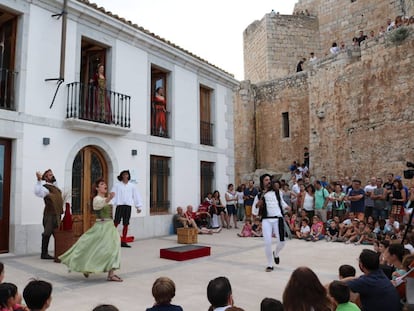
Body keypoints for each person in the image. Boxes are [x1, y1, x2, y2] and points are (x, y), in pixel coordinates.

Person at [59, 178, 123, 282]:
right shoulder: (96, 199)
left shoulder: (105, 198)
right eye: (102, 184)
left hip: (110, 226)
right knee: (91, 247)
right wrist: (108, 199)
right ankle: (86, 266)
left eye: (105, 183)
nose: (105, 185)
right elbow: (98, 206)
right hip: (101, 227)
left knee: (114, 248)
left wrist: (110, 198)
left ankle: (111, 274)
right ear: (97, 188)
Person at [252, 176, 289, 272]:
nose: (268, 182)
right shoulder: (260, 195)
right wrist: (257, 205)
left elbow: (281, 202)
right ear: (262, 182)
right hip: (266, 220)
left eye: (269, 180)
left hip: (278, 218)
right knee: (267, 242)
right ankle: (270, 264)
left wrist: (287, 207)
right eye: (266, 180)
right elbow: (254, 210)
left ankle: (276, 253)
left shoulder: (277, 192)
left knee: (282, 242)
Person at [34, 169, 64, 260]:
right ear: (46, 178)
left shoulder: (55, 187)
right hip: (49, 214)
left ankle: (59, 252)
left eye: (52, 174)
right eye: (50, 175)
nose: (52, 176)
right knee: (47, 233)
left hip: (57, 214)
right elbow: (38, 192)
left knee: (58, 233)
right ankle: (44, 253)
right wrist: (39, 180)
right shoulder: (45, 187)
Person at [111, 170, 143, 248]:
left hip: (128, 207)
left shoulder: (132, 186)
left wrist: (138, 206)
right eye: (124, 175)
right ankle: (111, 240)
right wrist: (111, 203)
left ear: (128, 176)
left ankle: (124, 241)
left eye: (127, 175)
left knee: (126, 223)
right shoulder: (117, 185)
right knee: (116, 222)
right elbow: (112, 194)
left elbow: (136, 196)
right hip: (120, 206)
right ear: (121, 176)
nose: (125, 176)